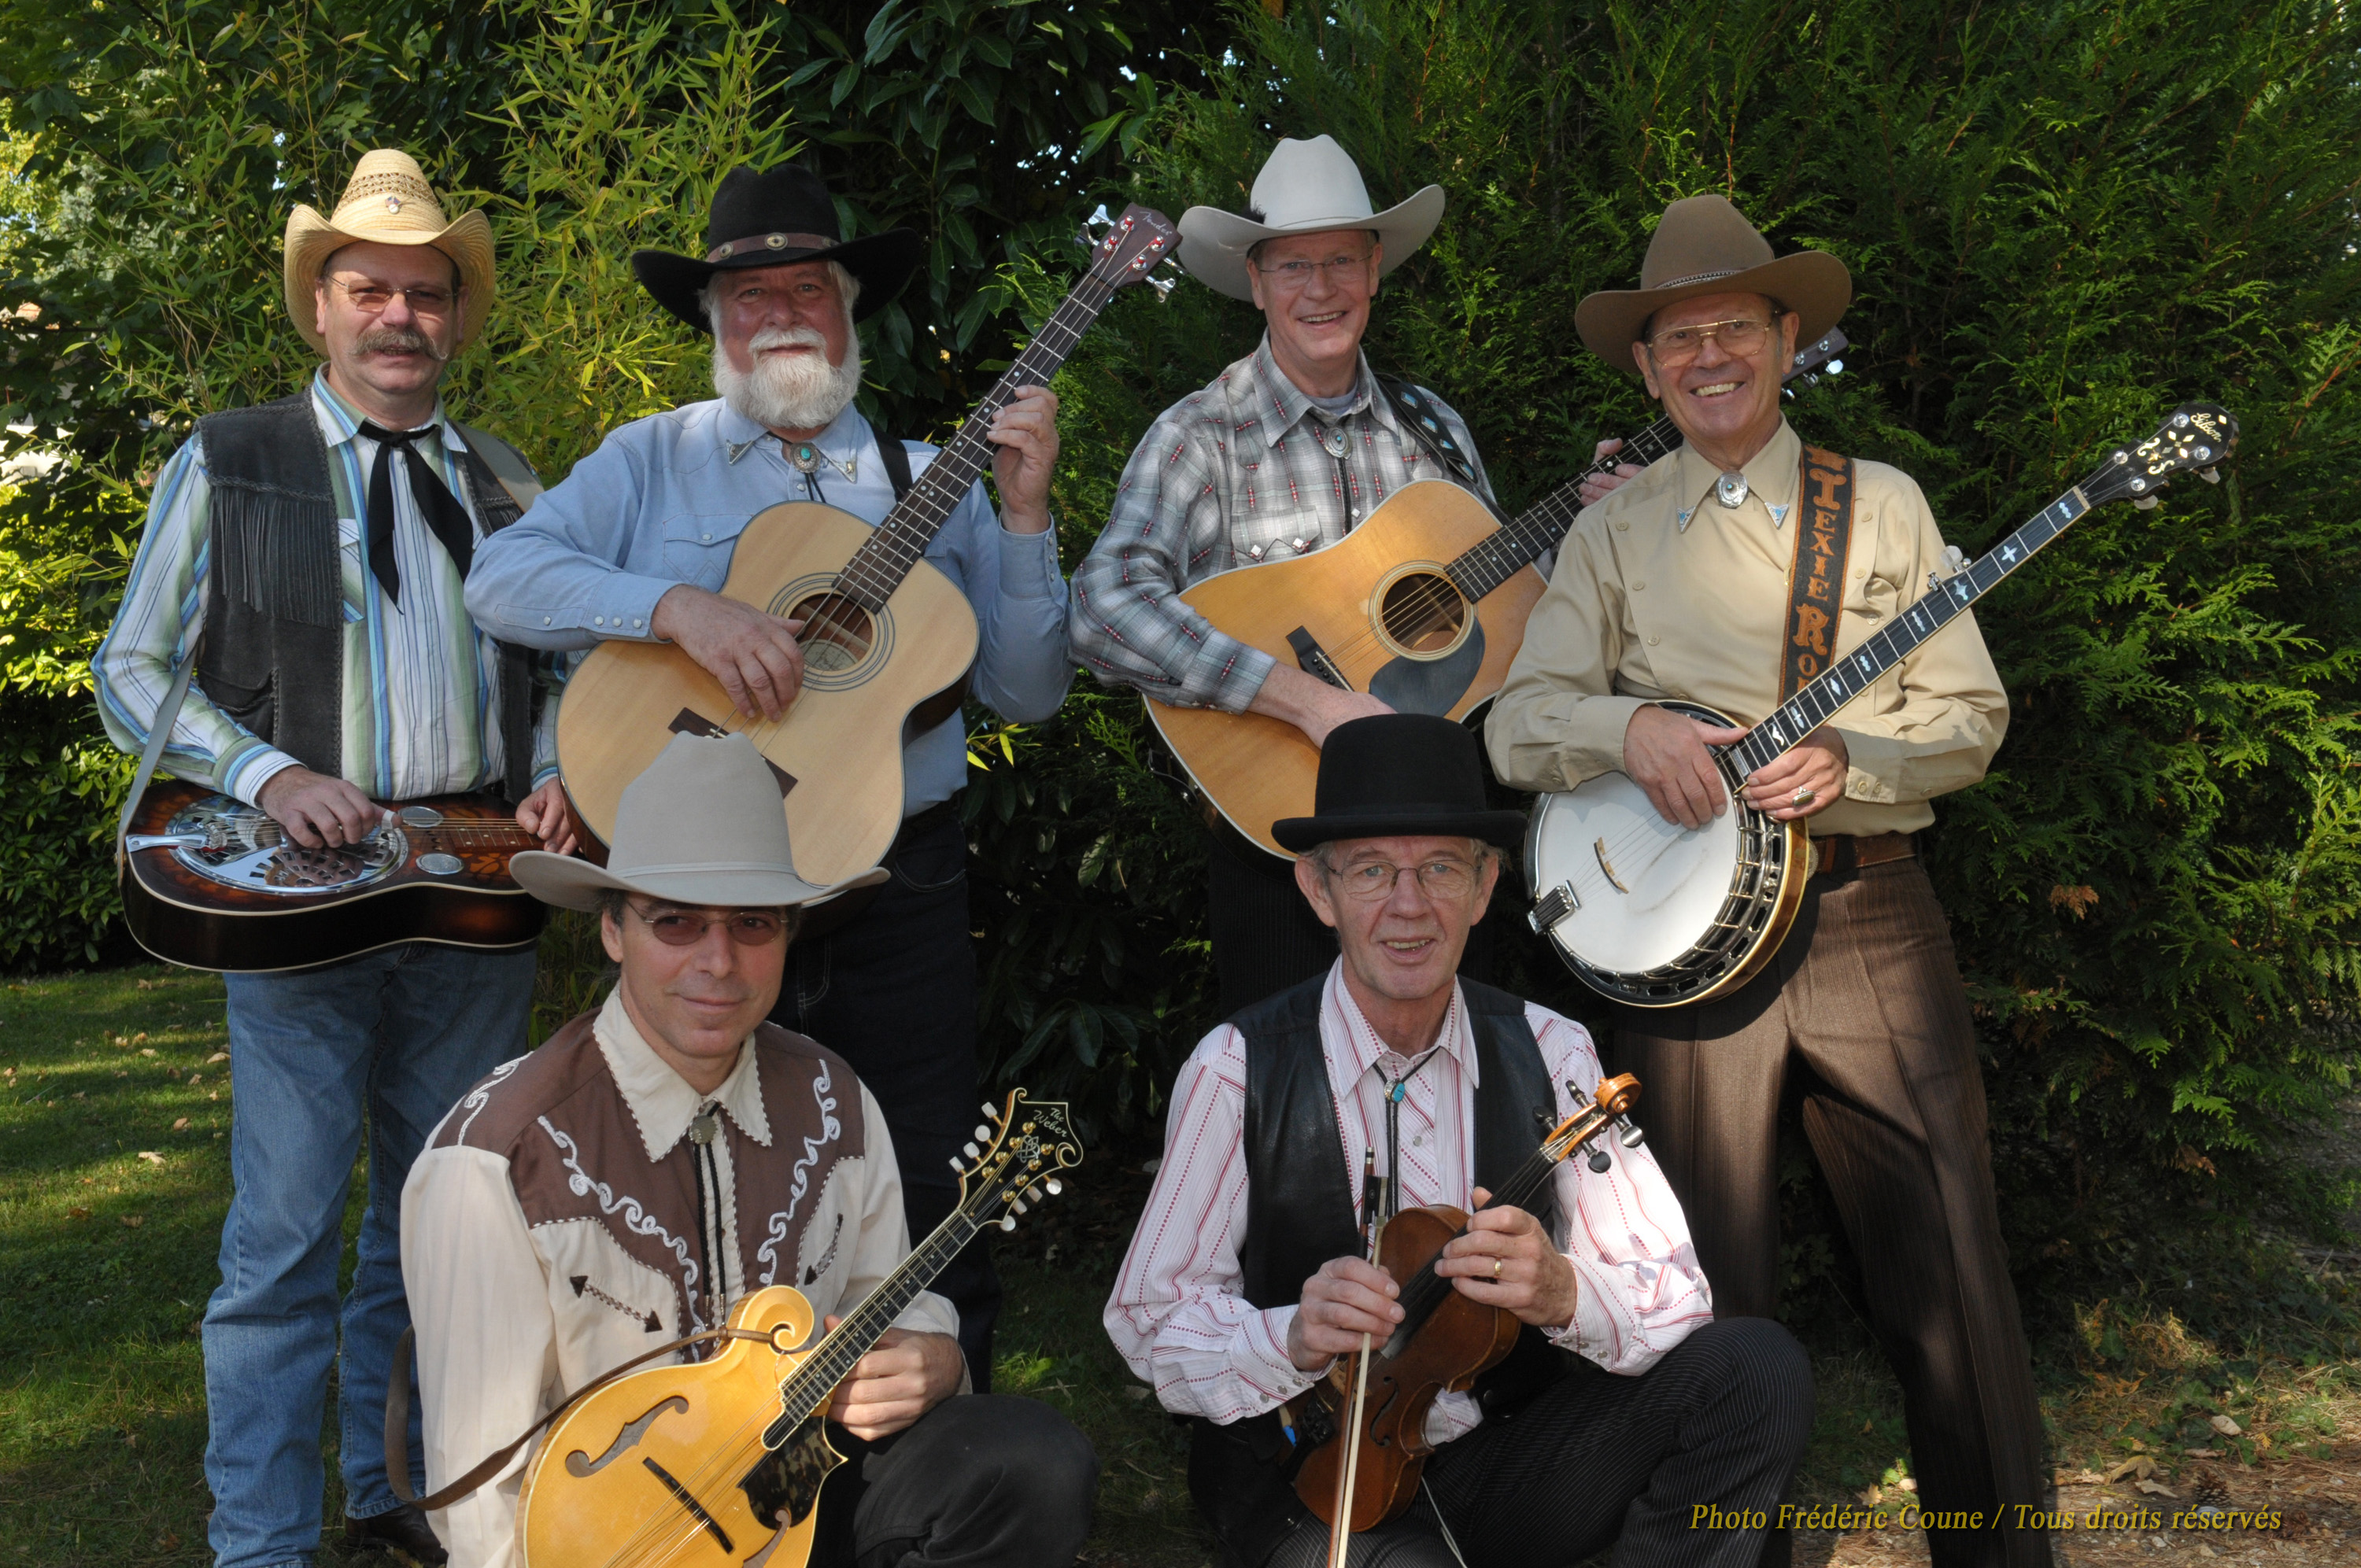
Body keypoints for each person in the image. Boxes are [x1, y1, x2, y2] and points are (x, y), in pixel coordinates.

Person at [1483, 194, 2044, 1568]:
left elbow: (1973, 717)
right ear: (1647, 367)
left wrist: (1851, 752)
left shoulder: (1887, 506)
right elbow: (1516, 719)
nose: (1710, 355)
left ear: (1789, 339)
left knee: (1953, 1271)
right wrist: (1635, 730)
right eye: (1681, 338)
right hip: (1680, 952)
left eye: (1737, 326)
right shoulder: (1611, 536)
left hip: (1868, 916)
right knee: (1702, 1288)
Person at [464, 163, 1072, 1384]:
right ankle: (709, 1436)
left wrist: (1024, 514)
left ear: (851, 311)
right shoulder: (650, 457)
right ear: (714, 323)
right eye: (749, 295)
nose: (780, 312)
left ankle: (934, 1446)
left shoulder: (923, 477)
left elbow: (1027, 691)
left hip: (894, 882)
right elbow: (502, 581)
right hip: (703, 895)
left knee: (927, 1156)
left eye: (808, 287)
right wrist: (674, 606)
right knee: (704, 1166)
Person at [91, 149, 554, 1568]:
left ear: (456, 318)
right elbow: (133, 665)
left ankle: (395, 1496)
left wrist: (553, 784)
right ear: (322, 308)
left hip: (475, 898)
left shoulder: (504, 477)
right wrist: (272, 772)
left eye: (426, 292)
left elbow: (557, 671)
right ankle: (262, 1543)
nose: (399, 314)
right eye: (371, 288)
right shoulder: (228, 458)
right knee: (286, 1235)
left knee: (439, 1222)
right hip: (294, 907)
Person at [1107, 714, 1812, 1568]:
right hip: (1312, 1479)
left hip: (1502, 1461)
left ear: (1484, 889)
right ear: (1318, 891)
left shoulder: (1552, 1048)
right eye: (1372, 871)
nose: (1410, 905)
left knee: (1754, 1368)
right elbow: (1150, 1321)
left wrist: (1562, 1292)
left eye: (1440, 867)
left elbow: (1676, 1295)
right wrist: (1290, 1334)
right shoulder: (1235, 1069)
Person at [400, 731, 1096, 1568]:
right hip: (611, 1544)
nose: (719, 961)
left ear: (790, 933)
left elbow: (887, 1294)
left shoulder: (834, 1097)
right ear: (613, 931)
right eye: (676, 921)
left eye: (753, 923)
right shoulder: (498, 1162)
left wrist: (937, 1359)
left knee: (1031, 1464)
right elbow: (482, 1497)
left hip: (794, 1494)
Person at [1068, 135, 1634, 1017]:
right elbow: (1101, 609)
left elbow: (1510, 610)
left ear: (1375, 271)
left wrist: (1591, 528)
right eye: (1294, 265)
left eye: (1340, 260)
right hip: (1282, 849)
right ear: (1256, 281)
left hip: (1442, 843)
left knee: (1461, 1106)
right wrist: (1307, 701)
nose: (1320, 289)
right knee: (1294, 1116)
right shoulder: (1199, 436)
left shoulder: (1432, 426)